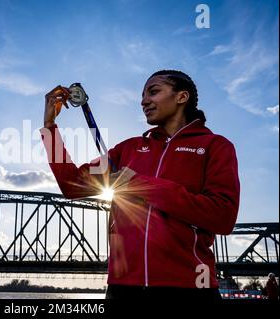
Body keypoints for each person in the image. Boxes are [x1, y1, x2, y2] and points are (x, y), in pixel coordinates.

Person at [40, 70, 240, 301]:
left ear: (181, 97)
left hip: (191, 288)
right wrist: (49, 126)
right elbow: (71, 185)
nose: (144, 101)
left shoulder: (215, 146)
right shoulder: (128, 150)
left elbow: (222, 217)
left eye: (153, 92)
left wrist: (140, 184)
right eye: (143, 95)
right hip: (122, 288)